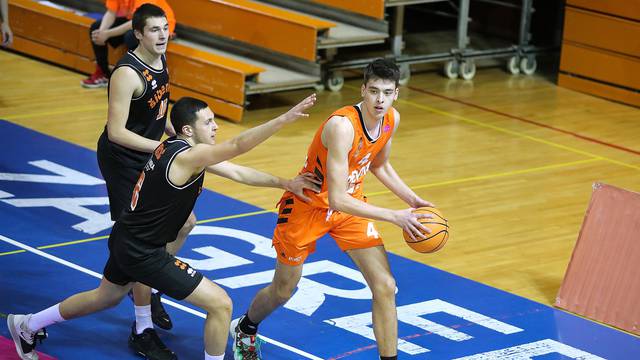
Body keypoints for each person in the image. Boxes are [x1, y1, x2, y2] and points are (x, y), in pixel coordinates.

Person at [7, 93, 318, 360]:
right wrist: (283, 119)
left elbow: (237, 173)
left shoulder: (180, 149)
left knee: (106, 297)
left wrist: (285, 183)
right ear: (187, 129)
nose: (215, 126)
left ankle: (27, 325)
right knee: (221, 305)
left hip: (127, 238)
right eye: (208, 122)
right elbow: (237, 145)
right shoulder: (187, 158)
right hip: (143, 251)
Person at [230, 59, 434, 360]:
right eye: (374, 91)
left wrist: (412, 200)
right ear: (363, 90)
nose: (379, 100)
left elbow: (379, 164)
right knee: (283, 290)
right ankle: (246, 328)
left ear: (396, 94)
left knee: (386, 286)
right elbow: (336, 198)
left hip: (350, 209)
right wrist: (395, 216)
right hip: (307, 207)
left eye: (387, 92)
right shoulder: (342, 126)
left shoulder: (392, 119)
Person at [94, 3, 180, 358]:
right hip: (123, 160)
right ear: (139, 34)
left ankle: (147, 280)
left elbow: (159, 108)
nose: (162, 35)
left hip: (148, 154)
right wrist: (164, 148)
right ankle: (142, 327)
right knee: (146, 240)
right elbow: (116, 132)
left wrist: (174, 134)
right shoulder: (127, 73)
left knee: (183, 222)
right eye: (155, 30)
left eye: (165, 29)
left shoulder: (160, 60)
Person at [81, 0, 176, 88]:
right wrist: (101, 33)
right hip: (136, 21)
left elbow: (134, 23)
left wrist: (107, 34)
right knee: (96, 28)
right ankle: (103, 73)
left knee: (131, 37)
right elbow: (111, 13)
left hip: (158, 25)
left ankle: (143, 76)